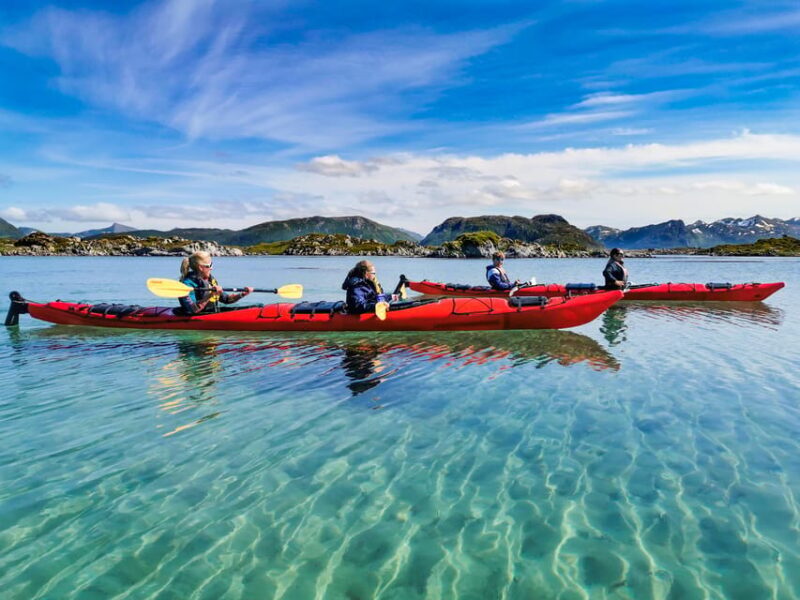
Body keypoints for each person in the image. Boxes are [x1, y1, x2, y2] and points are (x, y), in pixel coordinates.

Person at [178, 251, 253, 314]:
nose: (212, 268)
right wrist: (211, 295)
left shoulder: (210, 280)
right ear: (200, 267)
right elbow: (193, 309)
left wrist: (242, 294)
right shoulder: (187, 284)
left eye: (212, 264)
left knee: (256, 307)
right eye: (209, 265)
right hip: (194, 317)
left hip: (211, 313)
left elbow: (226, 299)